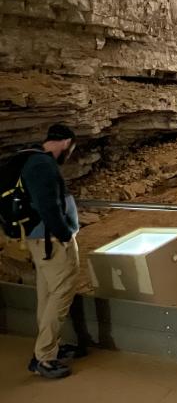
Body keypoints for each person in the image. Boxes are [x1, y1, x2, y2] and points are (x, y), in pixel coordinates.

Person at [21, 124, 80, 379]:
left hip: (40, 241)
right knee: (62, 293)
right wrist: (66, 235)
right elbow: (49, 206)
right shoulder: (42, 165)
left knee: (46, 296)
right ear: (66, 142)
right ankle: (45, 357)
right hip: (52, 242)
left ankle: (49, 348)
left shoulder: (32, 159)